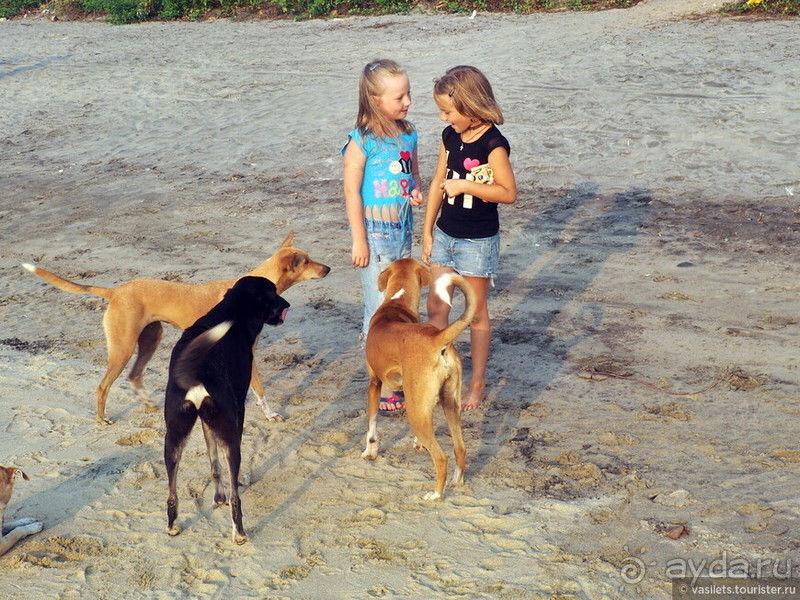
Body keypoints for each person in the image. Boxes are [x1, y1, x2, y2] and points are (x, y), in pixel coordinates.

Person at [422, 65, 517, 412]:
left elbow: (508, 193)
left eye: (448, 111)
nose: (443, 118)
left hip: (477, 242)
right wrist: (427, 232)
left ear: (472, 107)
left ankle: (477, 382)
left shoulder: (494, 145)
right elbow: (436, 183)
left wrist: (467, 186)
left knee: (475, 314)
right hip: (446, 236)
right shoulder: (450, 138)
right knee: (436, 307)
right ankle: (437, 372)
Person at [342, 59, 424, 415]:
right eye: (398, 96)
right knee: (377, 309)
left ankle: (398, 370)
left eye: (408, 94)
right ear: (375, 99)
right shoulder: (361, 141)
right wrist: (359, 239)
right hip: (374, 236)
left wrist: (416, 191)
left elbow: (413, 174)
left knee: (400, 304)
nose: (406, 101)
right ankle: (381, 378)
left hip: (402, 231)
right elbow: (351, 192)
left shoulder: (409, 133)